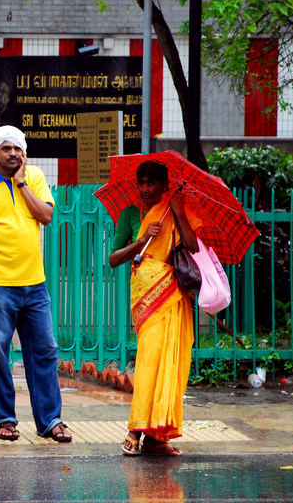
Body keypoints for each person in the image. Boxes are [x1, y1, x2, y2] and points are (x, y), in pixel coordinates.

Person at [0, 125, 72, 443]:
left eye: (18, 148)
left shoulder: (35, 177)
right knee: (0, 352)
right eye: (6, 149)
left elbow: (46, 216)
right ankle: (4, 419)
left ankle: (50, 420)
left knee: (45, 350)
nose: (13, 153)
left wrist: (22, 183)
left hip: (35, 284)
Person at [109, 160, 201, 456]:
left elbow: (192, 245)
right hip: (148, 298)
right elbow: (114, 258)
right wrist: (143, 238)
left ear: (164, 185)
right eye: (142, 183)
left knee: (172, 363)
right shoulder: (130, 215)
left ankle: (159, 435)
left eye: (152, 183)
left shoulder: (176, 209)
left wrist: (177, 211)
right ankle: (135, 430)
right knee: (149, 362)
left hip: (173, 296)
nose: (146, 189)